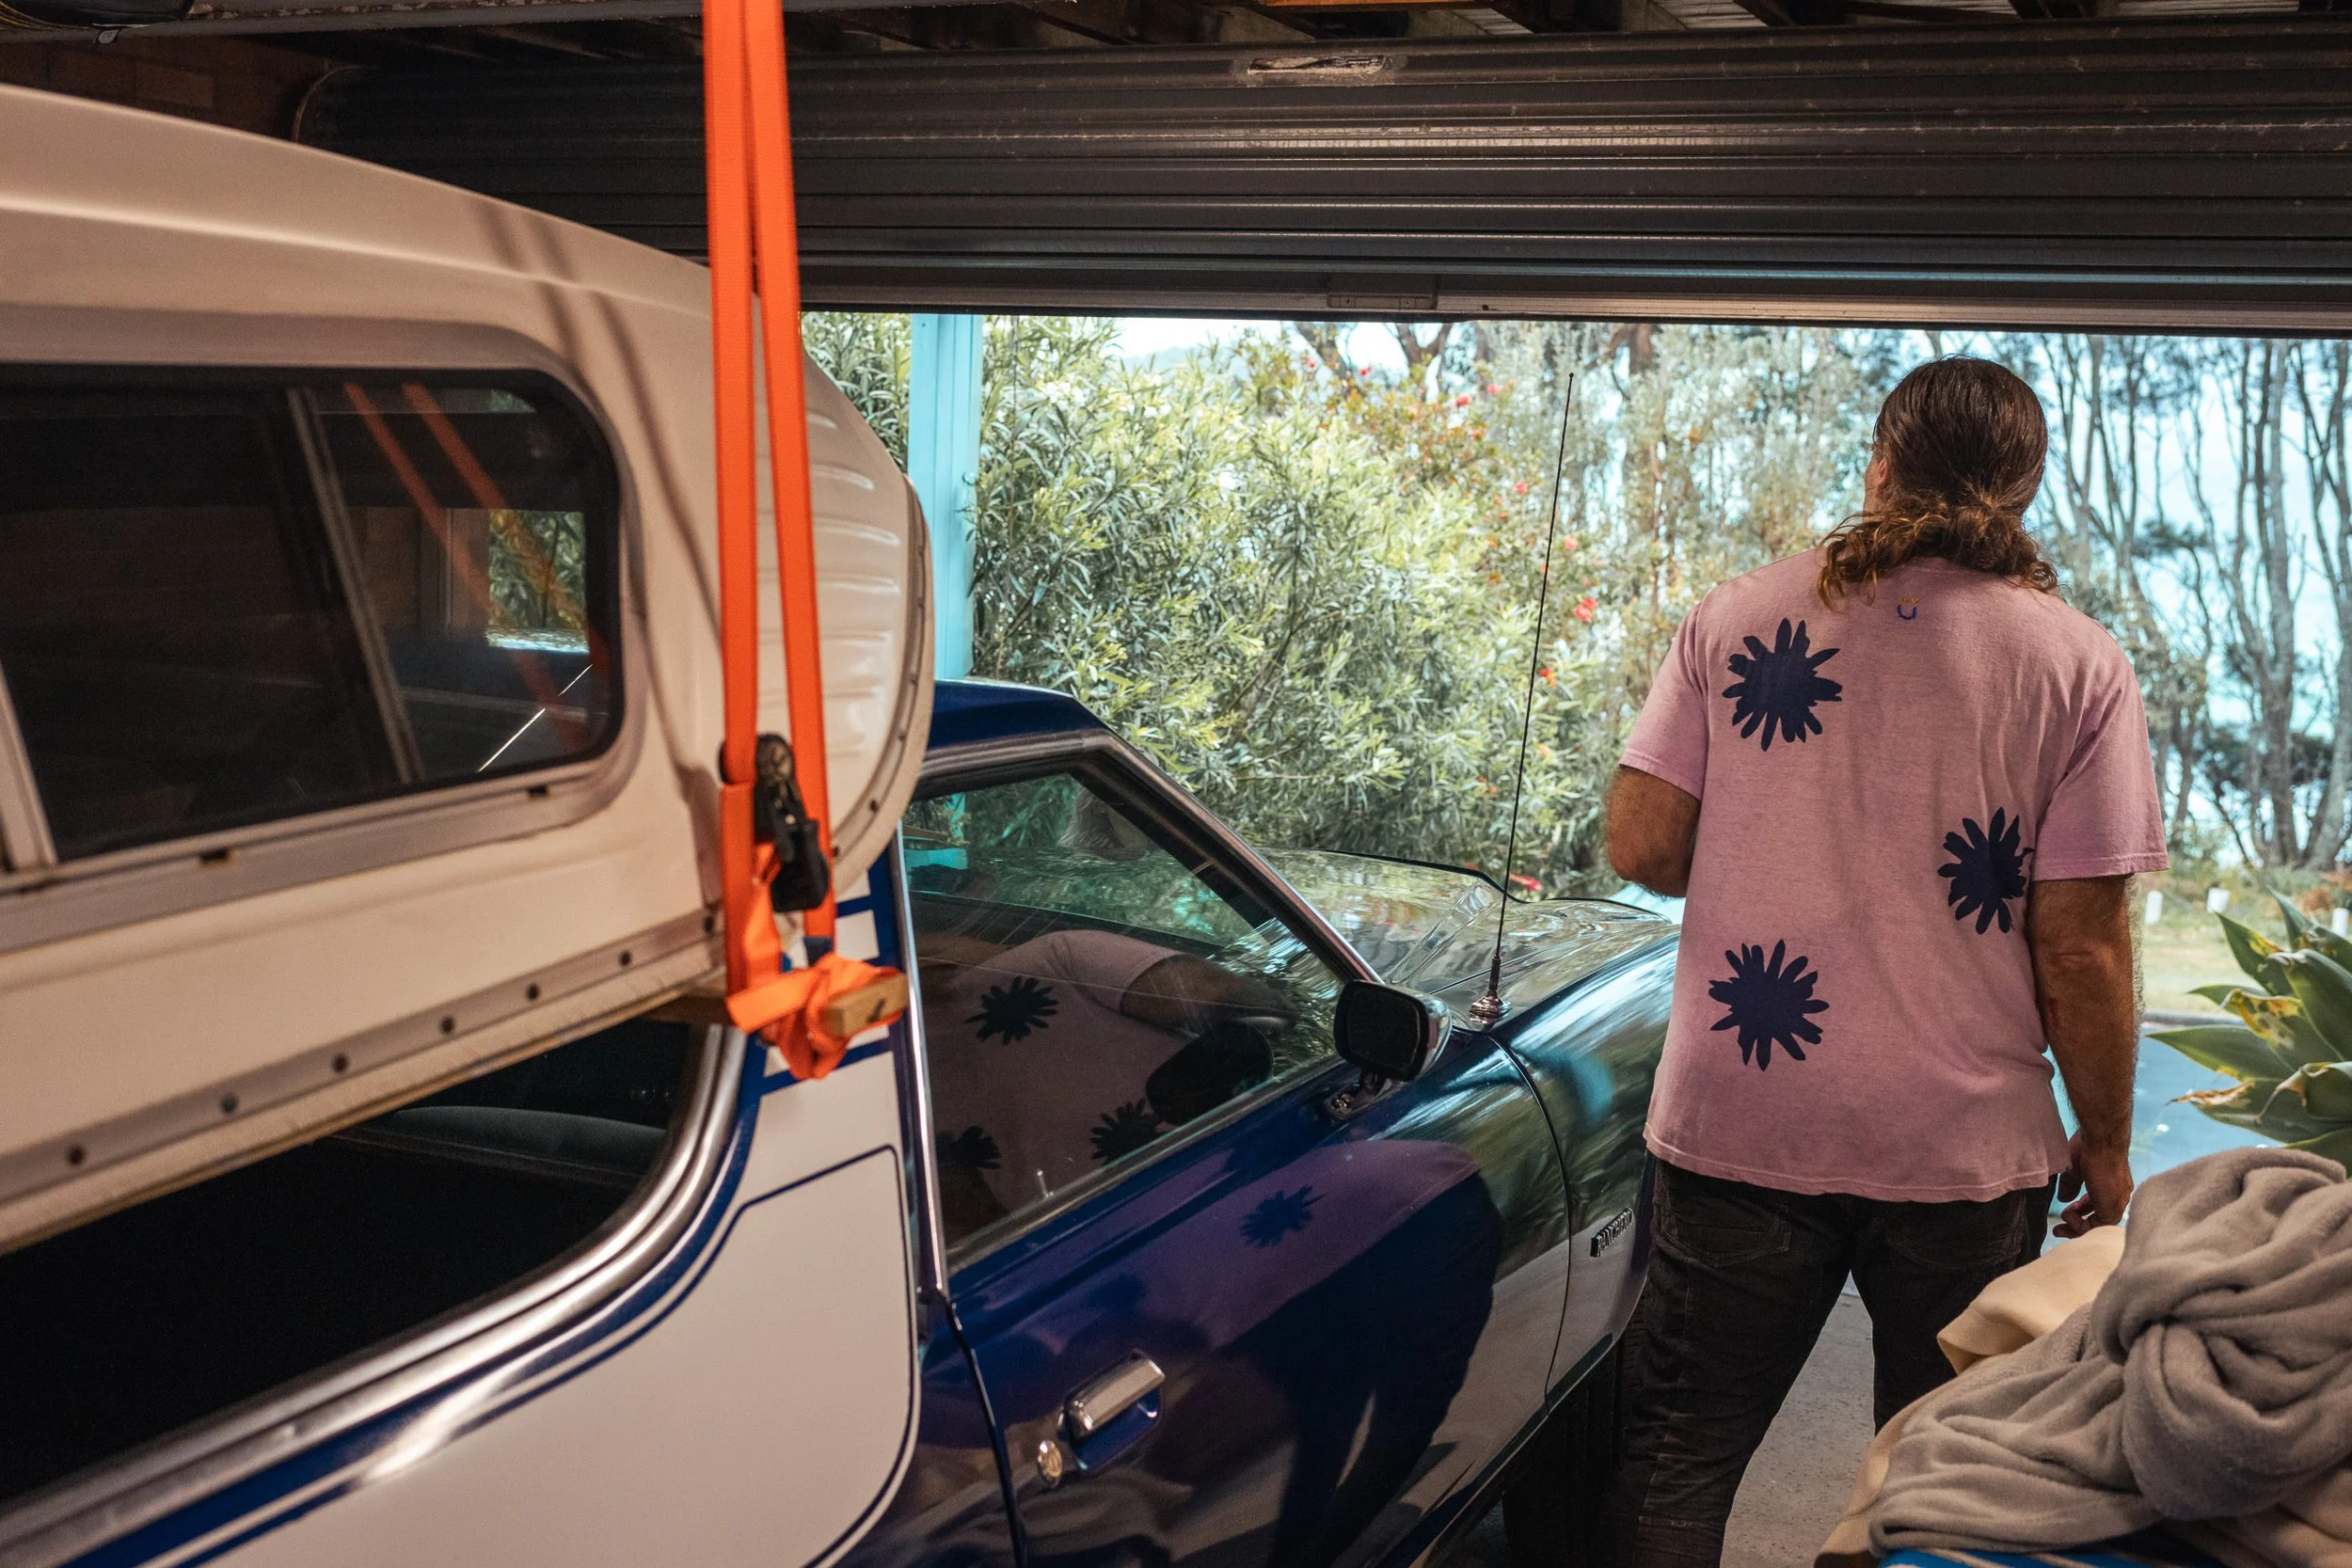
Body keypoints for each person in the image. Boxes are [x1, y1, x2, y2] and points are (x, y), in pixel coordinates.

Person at [1601, 356, 2166, 1568]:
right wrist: (2105, 1140)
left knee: (1680, 1447)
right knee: (1935, 1468)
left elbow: (1642, 846)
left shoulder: (1735, 616)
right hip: (1960, 1138)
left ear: (1881, 462)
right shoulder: (2078, 666)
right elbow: (2081, 944)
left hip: (1747, 1109)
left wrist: (1787, 824)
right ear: (2020, 487)